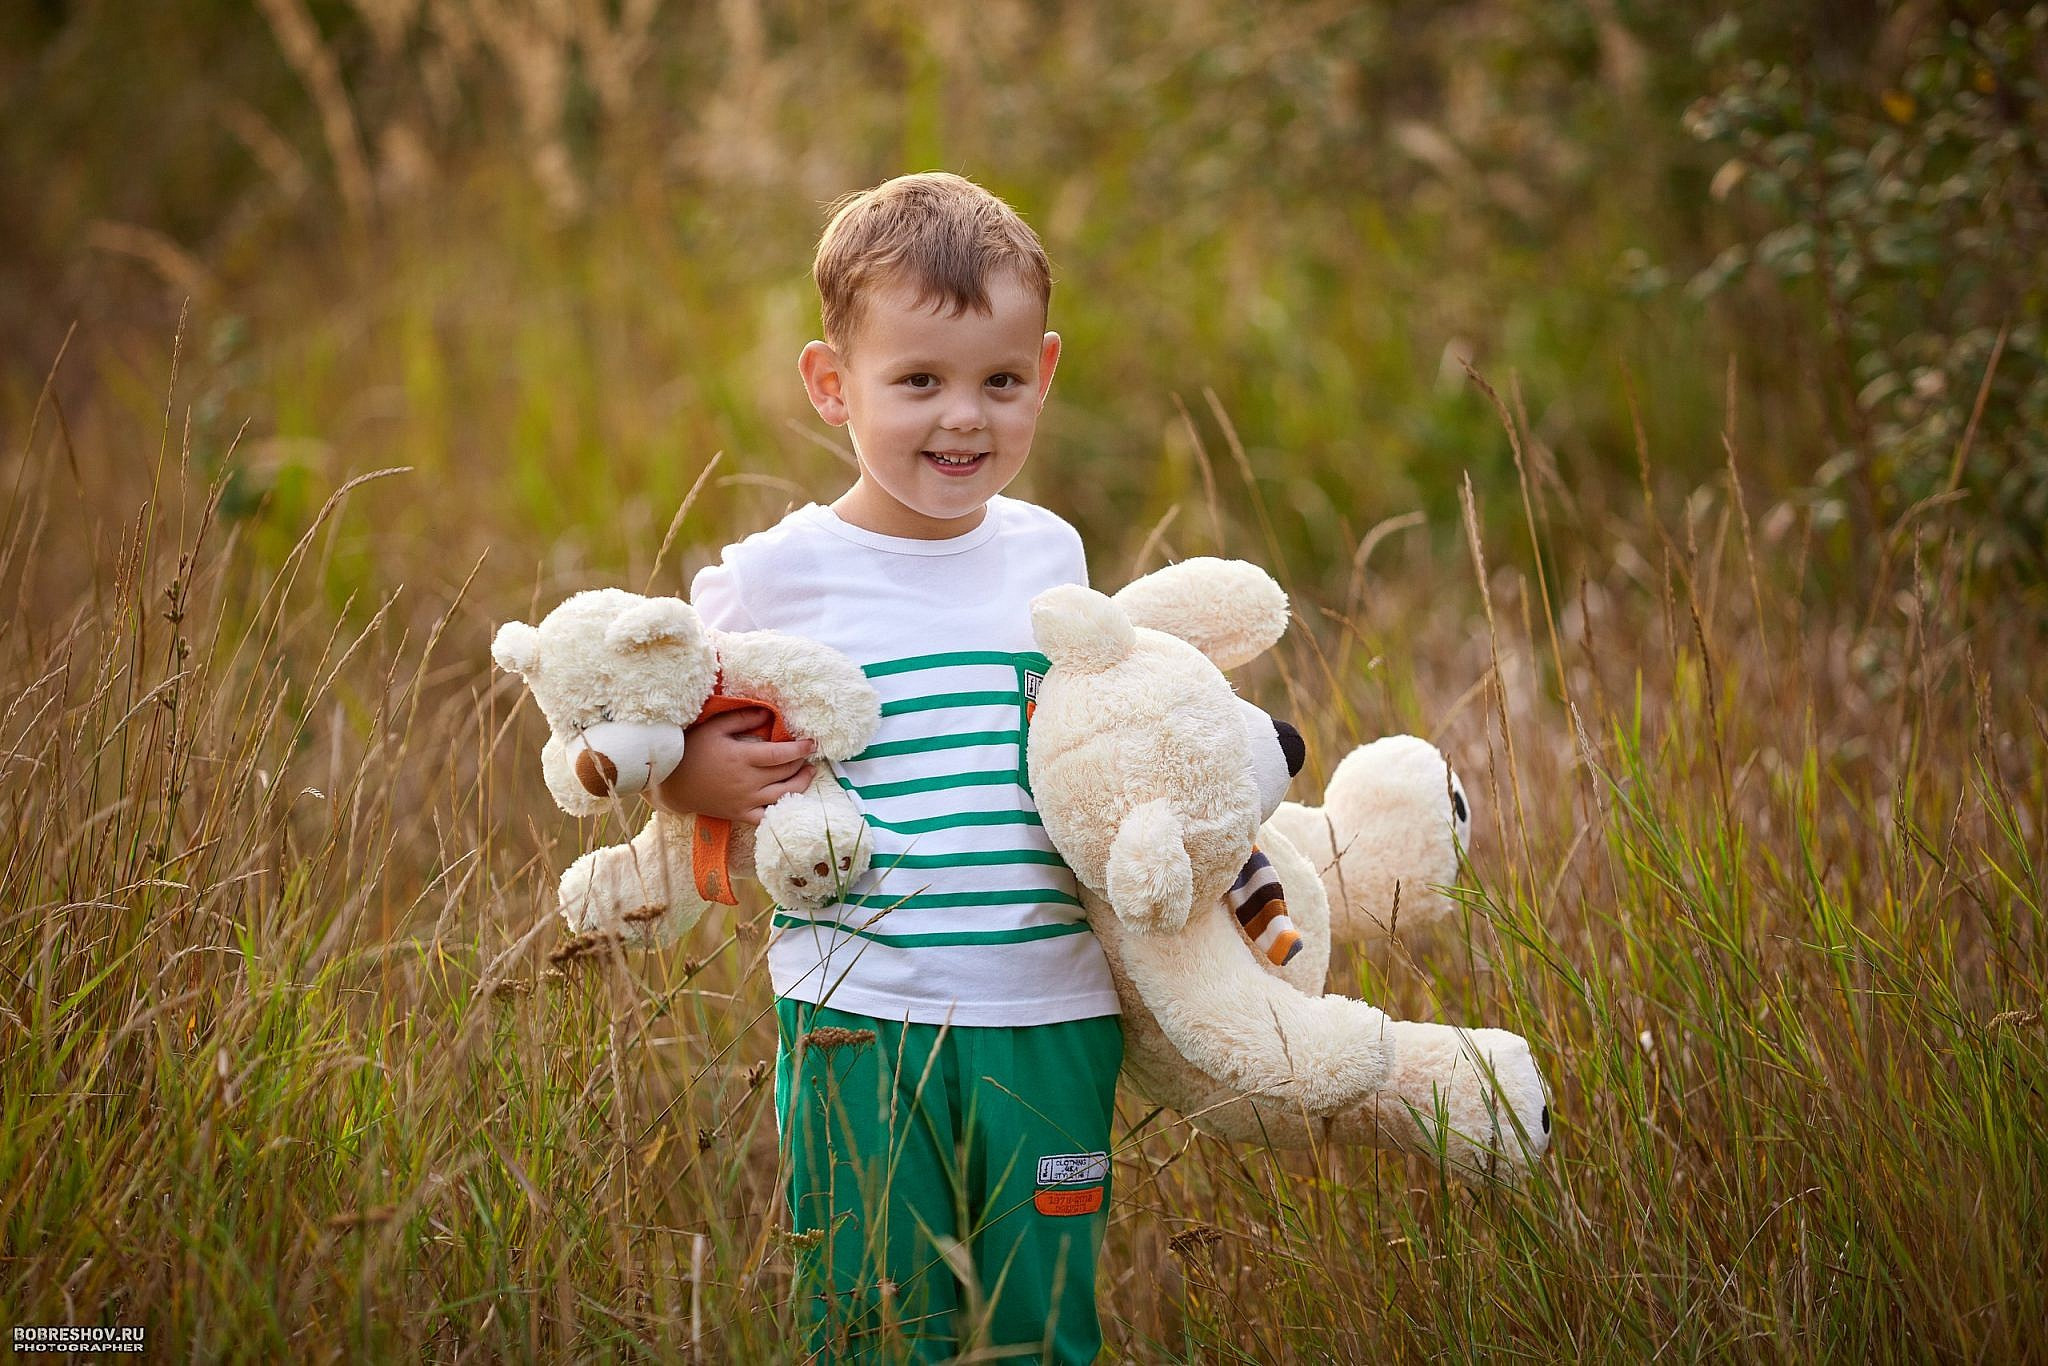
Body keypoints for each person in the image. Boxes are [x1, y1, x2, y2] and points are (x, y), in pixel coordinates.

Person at [652, 172, 1123, 1363]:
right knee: (870, 1314)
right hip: (859, 1015)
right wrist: (687, 779)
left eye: (998, 383)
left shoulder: (1051, 552)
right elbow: (650, 709)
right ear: (832, 386)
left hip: (1052, 1004)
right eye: (918, 381)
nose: (962, 419)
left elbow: (1108, 738)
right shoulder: (778, 574)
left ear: (1044, 373)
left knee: (1039, 1323)